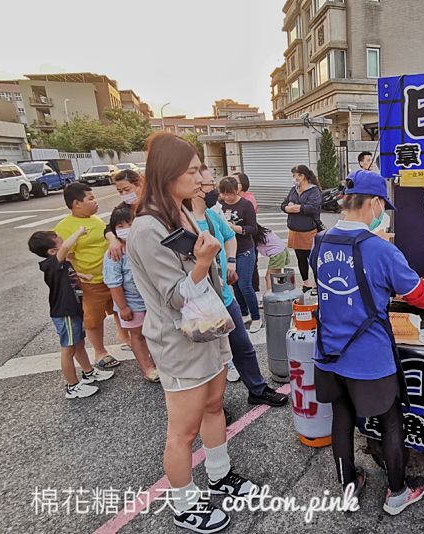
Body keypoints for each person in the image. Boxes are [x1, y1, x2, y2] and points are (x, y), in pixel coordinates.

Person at [126, 133, 256, 533]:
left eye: (201, 167)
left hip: (210, 327)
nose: (202, 175)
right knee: (181, 432)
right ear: (168, 174)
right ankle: (184, 505)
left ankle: (219, 475)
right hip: (180, 340)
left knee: (215, 405)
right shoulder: (147, 227)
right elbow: (175, 297)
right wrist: (202, 261)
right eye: (193, 169)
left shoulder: (181, 210)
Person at [311, 169, 424, 515]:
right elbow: (422, 298)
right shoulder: (381, 250)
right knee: (390, 418)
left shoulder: (320, 242)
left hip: (328, 353)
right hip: (369, 358)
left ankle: (348, 488)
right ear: (376, 203)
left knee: (342, 415)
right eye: (383, 206)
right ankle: (396, 492)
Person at [194, 171, 287, 405]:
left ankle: (257, 389)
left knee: (243, 347)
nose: (213, 190)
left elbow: (230, 237)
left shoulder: (212, 216)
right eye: (208, 185)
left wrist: (231, 261)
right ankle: (213, 406)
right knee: (209, 356)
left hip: (224, 297)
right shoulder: (180, 222)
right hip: (200, 302)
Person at [28, 228, 115, 399]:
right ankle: (72, 386)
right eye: (60, 242)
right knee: (68, 349)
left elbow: (68, 275)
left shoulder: (60, 264)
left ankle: (88, 372)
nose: (65, 243)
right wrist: (80, 232)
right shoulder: (51, 263)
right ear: (53, 251)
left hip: (73, 310)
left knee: (79, 344)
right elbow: (67, 246)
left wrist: (83, 276)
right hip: (65, 312)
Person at [54, 183, 120, 369]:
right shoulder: (65, 227)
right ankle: (100, 351)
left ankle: (125, 338)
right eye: (90, 198)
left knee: (119, 309)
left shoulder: (94, 220)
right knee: (94, 319)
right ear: (77, 203)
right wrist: (79, 275)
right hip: (91, 282)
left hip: (111, 277)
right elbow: (63, 257)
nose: (95, 202)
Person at [103, 205, 159, 383]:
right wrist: (123, 307)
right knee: (138, 335)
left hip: (152, 299)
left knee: (157, 333)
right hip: (132, 303)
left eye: (129, 223)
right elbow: (114, 283)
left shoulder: (145, 245)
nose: (126, 229)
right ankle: (147, 368)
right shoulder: (115, 253)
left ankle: (161, 363)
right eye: (120, 226)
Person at [104, 168, 146, 351]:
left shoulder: (153, 204)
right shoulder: (122, 210)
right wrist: (113, 239)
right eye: (120, 192)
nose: (124, 195)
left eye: (127, 189)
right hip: (133, 287)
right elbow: (109, 227)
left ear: (139, 184)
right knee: (138, 332)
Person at [218, 177, 262, 334]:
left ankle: (256, 317)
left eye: (230, 193)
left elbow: (253, 229)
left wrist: (235, 228)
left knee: (245, 284)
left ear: (236, 190)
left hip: (245, 249)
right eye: (224, 194)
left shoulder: (246, 204)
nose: (228, 197)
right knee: (234, 283)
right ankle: (244, 313)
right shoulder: (219, 205)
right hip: (227, 251)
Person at [281, 165, 322, 293]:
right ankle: (306, 283)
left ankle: (318, 285)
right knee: (300, 258)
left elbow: (314, 207)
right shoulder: (294, 190)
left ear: (302, 176)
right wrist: (286, 208)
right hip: (295, 230)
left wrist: (298, 208)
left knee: (313, 259)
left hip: (309, 230)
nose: (294, 178)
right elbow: (284, 203)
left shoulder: (313, 190)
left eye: (295, 175)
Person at [236, 172, 261, 300]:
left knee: (252, 265)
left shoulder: (248, 198)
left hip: (249, 235)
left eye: (237, 182)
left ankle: (255, 291)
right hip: (234, 240)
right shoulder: (227, 199)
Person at [254, 223, 290, 293]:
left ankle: (270, 296)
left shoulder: (256, 236)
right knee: (277, 275)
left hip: (277, 254)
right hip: (282, 251)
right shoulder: (264, 231)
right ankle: (279, 293)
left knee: (268, 277)